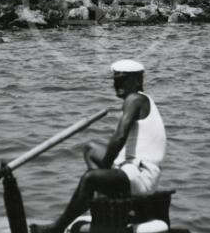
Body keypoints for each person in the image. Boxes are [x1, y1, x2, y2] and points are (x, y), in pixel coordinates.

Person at [29, 60, 166, 233]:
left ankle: (58, 227)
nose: (117, 84)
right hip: (134, 170)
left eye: (123, 80)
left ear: (137, 81)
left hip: (141, 175)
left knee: (90, 178)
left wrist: (104, 168)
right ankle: (103, 204)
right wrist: (106, 169)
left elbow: (119, 137)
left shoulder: (135, 99)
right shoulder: (141, 100)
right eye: (115, 80)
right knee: (90, 149)